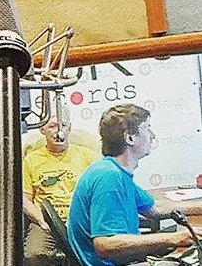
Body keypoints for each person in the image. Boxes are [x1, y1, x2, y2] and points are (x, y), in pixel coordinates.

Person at [68, 103, 202, 266]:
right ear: (130, 138)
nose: (152, 135)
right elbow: (104, 245)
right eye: (146, 128)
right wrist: (172, 238)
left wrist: (199, 207)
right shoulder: (109, 177)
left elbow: (154, 209)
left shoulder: (113, 170)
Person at [22, 108, 98, 265]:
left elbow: (101, 193)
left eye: (63, 125)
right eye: (52, 126)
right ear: (42, 130)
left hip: (83, 220)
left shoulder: (88, 156)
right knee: (34, 256)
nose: (59, 131)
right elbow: (25, 199)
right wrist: (41, 220)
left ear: (69, 128)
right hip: (47, 221)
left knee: (103, 250)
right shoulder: (31, 160)